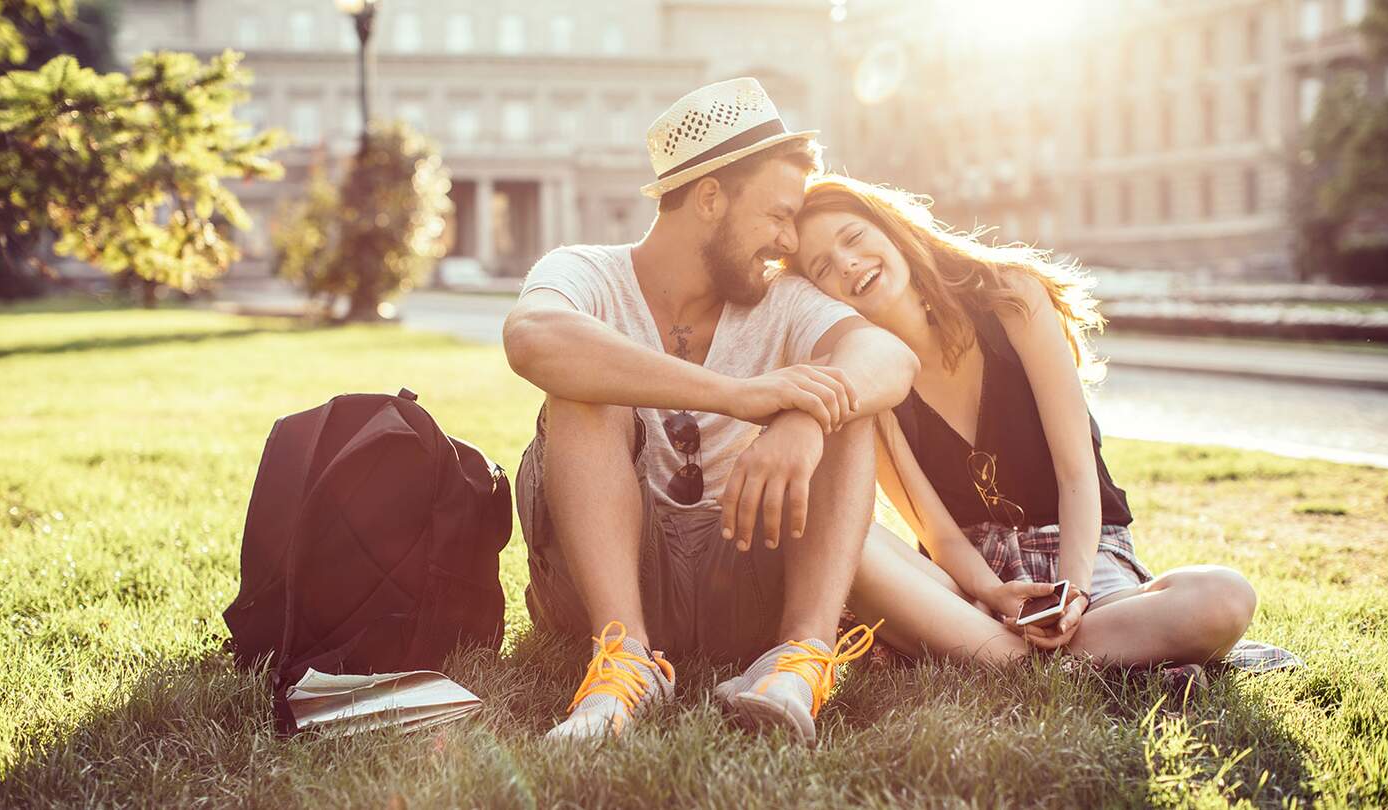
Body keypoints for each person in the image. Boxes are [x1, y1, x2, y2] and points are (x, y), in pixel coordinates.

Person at [502, 80, 916, 744]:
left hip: (741, 573)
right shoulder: (584, 270)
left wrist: (802, 419)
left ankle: (798, 661)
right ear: (710, 197)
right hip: (605, 579)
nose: (787, 241)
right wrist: (738, 395)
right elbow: (532, 338)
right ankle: (622, 664)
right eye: (778, 215)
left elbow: (887, 356)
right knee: (581, 387)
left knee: (843, 399)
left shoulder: (782, 298)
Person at [787, 174, 1260, 674]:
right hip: (970, 583)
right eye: (823, 267)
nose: (847, 263)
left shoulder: (1011, 298)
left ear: (890, 228)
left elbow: (1076, 473)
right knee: (840, 534)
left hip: (1079, 554)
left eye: (853, 237)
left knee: (1223, 598)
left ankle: (1006, 659)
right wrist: (995, 593)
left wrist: (1070, 594)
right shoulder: (870, 375)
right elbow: (939, 536)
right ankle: (1069, 659)